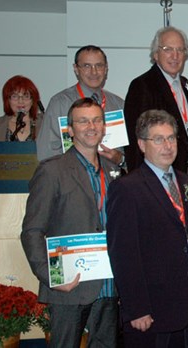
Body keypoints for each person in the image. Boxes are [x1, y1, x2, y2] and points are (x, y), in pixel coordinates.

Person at [21, 98, 120, 348]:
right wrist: (50, 275)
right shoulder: (51, 171)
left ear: (104, 126)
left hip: (109, 285)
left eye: (97, 120)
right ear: (70, 129)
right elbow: (32, 230)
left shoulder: (114, 170)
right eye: (83, 121)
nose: (91, 126)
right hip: (69, 285)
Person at [106, 110, 188, 347]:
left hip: (186, 306)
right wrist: (136, 308)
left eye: (171, 138)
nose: (167, 145)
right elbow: (123, 253)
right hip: (149, 312)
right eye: (158, 139)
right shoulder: (127, 188)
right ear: (141, 144)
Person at [36, 45, 124, 166]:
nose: (94, 72)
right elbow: (47, 152)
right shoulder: (60, 103)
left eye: (99, 65)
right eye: (87, 66)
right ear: (76, 69)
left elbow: (129, 151)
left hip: (111, 180)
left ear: (106, 68)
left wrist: (121, 159)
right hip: (71, 179)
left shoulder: (118, 104)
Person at [124, 26, 188, 175]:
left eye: (180, 50)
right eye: (168, 49)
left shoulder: (186, 85)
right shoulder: (142, 85)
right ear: (156, 54)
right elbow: (136, 139)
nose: (175, 56)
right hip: (157, 174)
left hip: (185, 171)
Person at [0, 75, 44, 142]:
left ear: (33, 100)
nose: (20, 101)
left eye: (26, 96)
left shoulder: (46, 123)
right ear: (7, 100)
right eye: (14, 96)